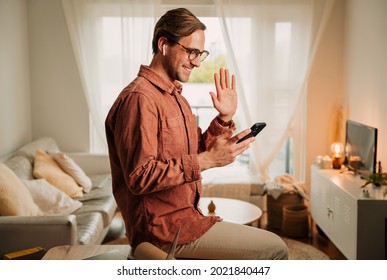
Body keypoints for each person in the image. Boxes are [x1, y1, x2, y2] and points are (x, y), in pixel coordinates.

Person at [105, 7, 288, 260]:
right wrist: (207, 161)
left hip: (188, 219)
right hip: (163, 232)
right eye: (191, 51)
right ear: (164, 44)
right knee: (275, 248)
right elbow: (140, 176)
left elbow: (196, 148)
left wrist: (224, 118)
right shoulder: (140, 99)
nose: (197, 61)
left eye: (200, 53)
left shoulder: (175, 97)